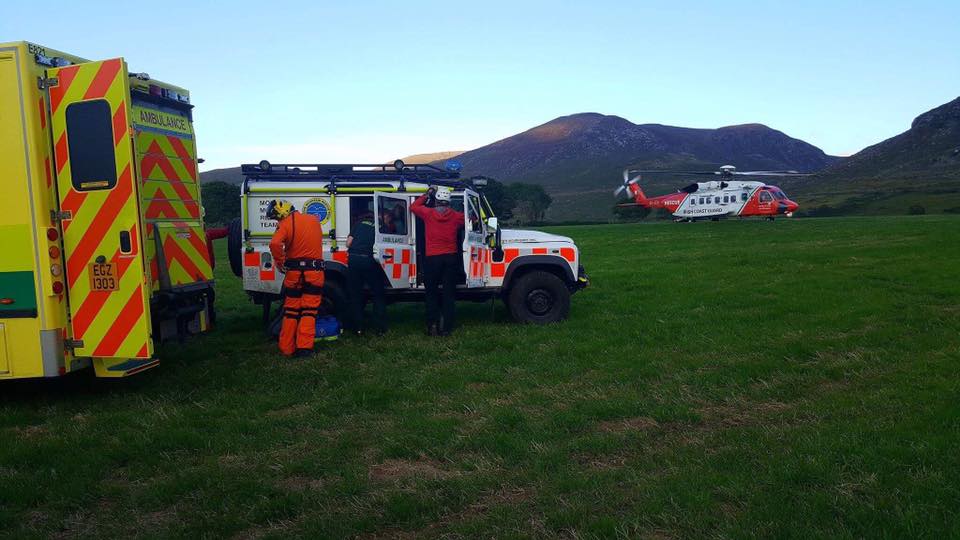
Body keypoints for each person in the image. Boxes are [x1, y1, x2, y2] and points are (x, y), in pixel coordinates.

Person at [267, 200, 325, 357]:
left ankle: (286, 348)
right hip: (314, 272)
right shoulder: (313, 220)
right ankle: (304, 349)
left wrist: (280, 262)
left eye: (277, 217)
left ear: (282, 213)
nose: (277, 221)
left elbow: (274, 243)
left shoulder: (285, 224)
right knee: (309, 310)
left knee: (291, 311)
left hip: (294, 274)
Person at [411, 186, 464, 336]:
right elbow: (470, 220)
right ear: (448, 202)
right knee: (448, 294)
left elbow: (413, 206)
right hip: (450, 258)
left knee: (431, 293)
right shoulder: (456, 216)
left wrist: (427, 194)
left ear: (436, 201)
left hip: (432, 258)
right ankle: (446, 328)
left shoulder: (428, 213)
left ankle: (432, 326)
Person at [346, 211, 386, 335]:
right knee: (378, 294)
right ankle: (379, 328)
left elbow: (348, 243)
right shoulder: (381, 227)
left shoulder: (358, 224)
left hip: (354, 259)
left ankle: (358, 328)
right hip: (369, 260)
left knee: (356, 295)